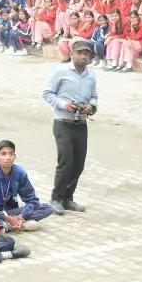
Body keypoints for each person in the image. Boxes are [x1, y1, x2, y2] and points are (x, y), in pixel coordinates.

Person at [42, 39, 98, 213]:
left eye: (86, 53)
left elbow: (94, 97)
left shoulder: (91, 76)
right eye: (79, 53)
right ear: (72, 54)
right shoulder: (61, 71)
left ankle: (68, 198)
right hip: (62, 123)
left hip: (80, 123)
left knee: (78, 164)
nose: (83, 56)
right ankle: (56, 198)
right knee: (66, 161)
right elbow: (47, 93)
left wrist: (91, 106)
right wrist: (62, 104)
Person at [0, 140, 53, 231]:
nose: (8, 157)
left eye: (11, 154)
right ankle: (10, 224)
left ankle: (10, 225)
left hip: (11, 212)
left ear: (15, 156)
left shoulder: (19, 172)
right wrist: (7, 218)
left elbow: (32, 200)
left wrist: (21, 216)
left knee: (47, 208)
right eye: (3, 154)